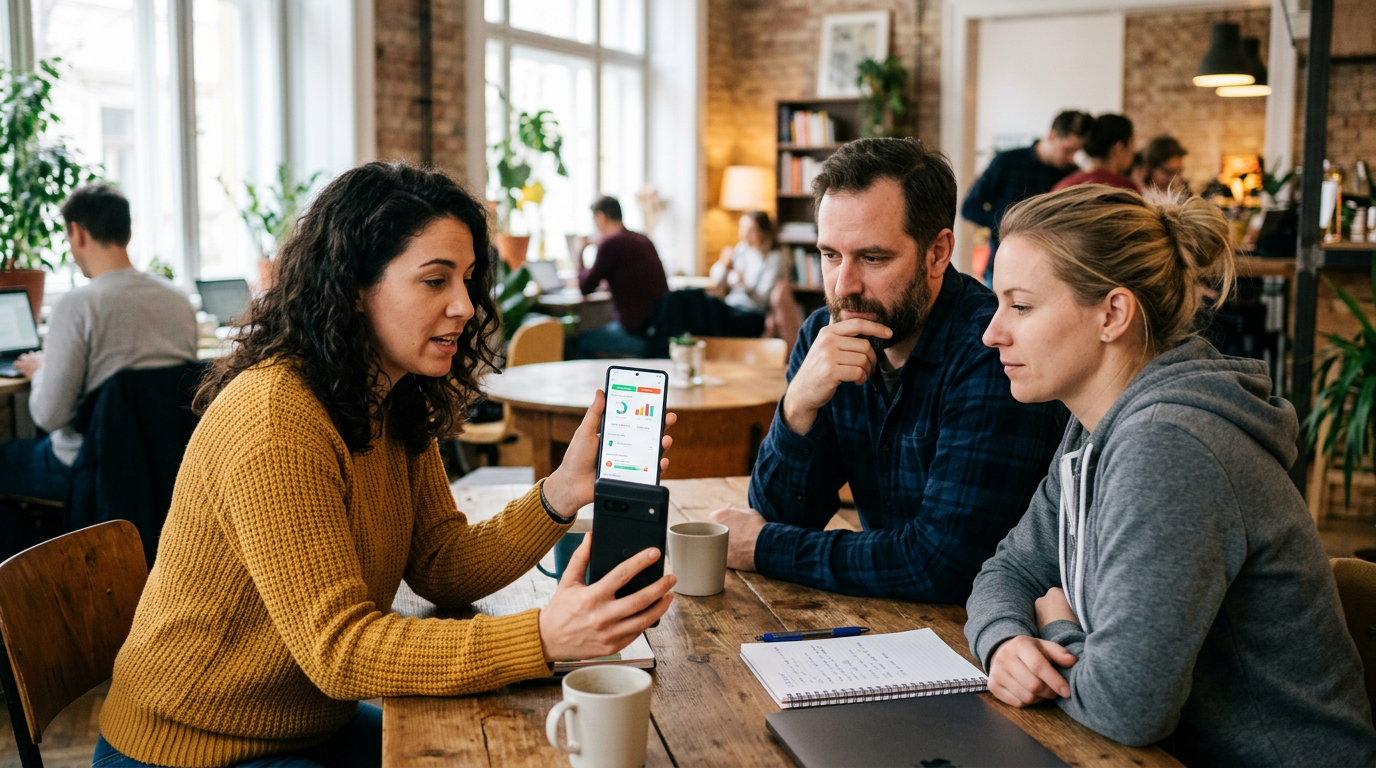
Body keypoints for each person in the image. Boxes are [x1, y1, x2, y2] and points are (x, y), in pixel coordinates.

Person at [93, 163, 678, 768]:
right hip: (189, 748)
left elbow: (440, 563)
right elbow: (339, 649)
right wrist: (541, 637)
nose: (464, 306)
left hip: (305, 727)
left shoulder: (389, 396)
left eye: (469, 280)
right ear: (352, 286)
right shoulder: (276, 421)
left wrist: (560, 491)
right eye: (434, 281)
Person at [965, 184, 1376, 766]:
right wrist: (1006, 639)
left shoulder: (1170, 445)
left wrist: (1056, 633)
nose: (992, 332)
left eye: (1021, 306)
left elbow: (1126, 707)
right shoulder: (1093, 428)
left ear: (1113, 313)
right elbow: (1007, 569)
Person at [708, 138, 1066, 603]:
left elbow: (944, 565)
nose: (843, 285)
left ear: (937, 253)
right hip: (888, 623)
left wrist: (762, 547)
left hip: (993, 641)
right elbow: (779, 514)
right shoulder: (826, 334)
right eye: (830, 255)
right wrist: (797, 405)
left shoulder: (993, 349)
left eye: (872, 258)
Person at [0, 183, 196, 505]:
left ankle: (26, 556)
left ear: (77, 233)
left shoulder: (78, 305)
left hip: (92, 467)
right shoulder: (178, 299)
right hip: (166, 465)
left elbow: (49, 417)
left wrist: (39, 372)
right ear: (126, 233)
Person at [961, 110, 1091, 286]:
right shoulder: (1007, 162)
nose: (1071, 158)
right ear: (1053, 136)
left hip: (1051, 272)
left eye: (1076, 152)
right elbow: (969, 207)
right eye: (1067, 150)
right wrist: (1011, 224)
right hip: (1003, 266)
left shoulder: (1071, 174)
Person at [575, 196, 669, 358]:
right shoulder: (642, 238)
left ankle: (592, 382)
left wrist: (580, 252)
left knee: (577, 341)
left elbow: (585, 286)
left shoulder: (611, 244)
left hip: (636, 335)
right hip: (657, 330)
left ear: (601, 218)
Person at [710, 210, 782, 319]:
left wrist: (744, 285)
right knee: (696, 298)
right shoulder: (742, 249)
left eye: (750, 230)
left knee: (705, 307)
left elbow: (762, 300)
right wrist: (723, 264)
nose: (744, 234)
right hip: (731, 305)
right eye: (742, 228)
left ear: (763, 232)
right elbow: (715, 279)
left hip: (751, 313)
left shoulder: (774, 258)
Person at [1052, 114, 1138, 192]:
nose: (1134, 152)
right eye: (1132, 145)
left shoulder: (1064, 186)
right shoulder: (1125, 189)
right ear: (1119, 147)